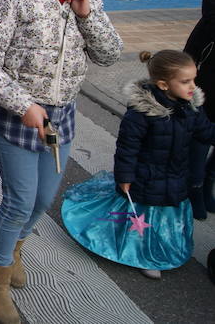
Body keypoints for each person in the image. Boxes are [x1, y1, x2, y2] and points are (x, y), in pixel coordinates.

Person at [0, 0, 123, 324]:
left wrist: (86, 14)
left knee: (42, 199)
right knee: (19, 200)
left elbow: (110, 55)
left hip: (63, 119)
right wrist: (24, 105)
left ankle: (13, 250)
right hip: (16, 117)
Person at [62, 49, 215, 280]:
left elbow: (206, 133)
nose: (192, 86)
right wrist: (124, 177)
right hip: (147, 176)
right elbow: (127, 148)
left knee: (167, 217)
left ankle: (165, 247)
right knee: (146, 216)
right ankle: (144, 255)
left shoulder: (191, 107)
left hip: (175, 175)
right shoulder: (141, 114)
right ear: (164, 85)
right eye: (185, 81)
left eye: (193, 79)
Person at [184, 0, 215, 217]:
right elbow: (212, 14)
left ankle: (208, 182)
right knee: (203, 126)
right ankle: (194, 185)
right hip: (210, 57)